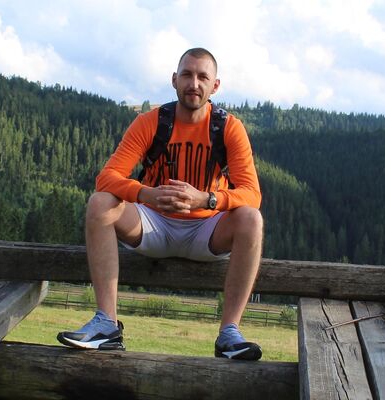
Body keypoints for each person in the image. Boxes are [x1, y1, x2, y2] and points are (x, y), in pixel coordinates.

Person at [57, 47, 264, 361]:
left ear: (215, 86)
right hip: (152, 225)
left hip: (207, 230)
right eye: (187, 74)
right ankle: (106, 325)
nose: (194, 83)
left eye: (203, 77)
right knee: (100, 203)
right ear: (174, 79)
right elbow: (106, 178)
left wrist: (207, 199)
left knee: (251, 219)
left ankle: (229, 334)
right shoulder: (151, 122)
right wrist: (146, 194)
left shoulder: (228, 128)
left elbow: (252, 194)